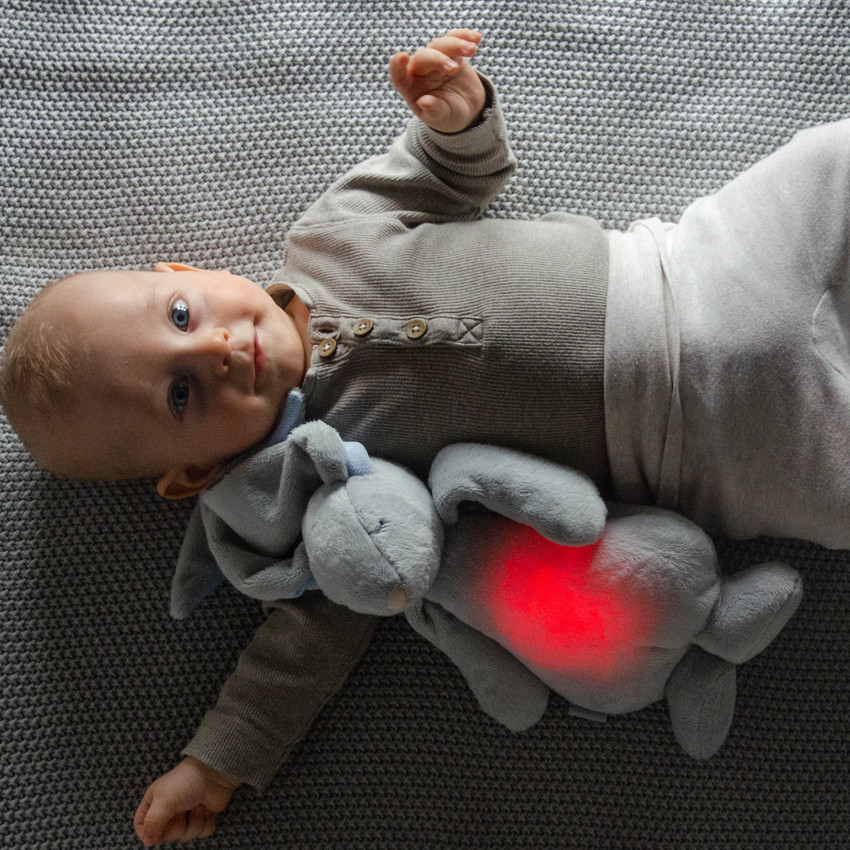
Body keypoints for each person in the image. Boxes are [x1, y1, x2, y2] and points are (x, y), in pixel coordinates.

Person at [3, 27, 850, 845]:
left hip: (695, 268)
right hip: (715, 451)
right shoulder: (326, 499)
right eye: (181, 392)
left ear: (183, 273)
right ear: (190, 473)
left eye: (183, 317)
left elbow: (451, 175)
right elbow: (303, 650)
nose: (218, 349)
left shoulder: (333, 233)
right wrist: (218, 762)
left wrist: (456, 113)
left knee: (828, 161)